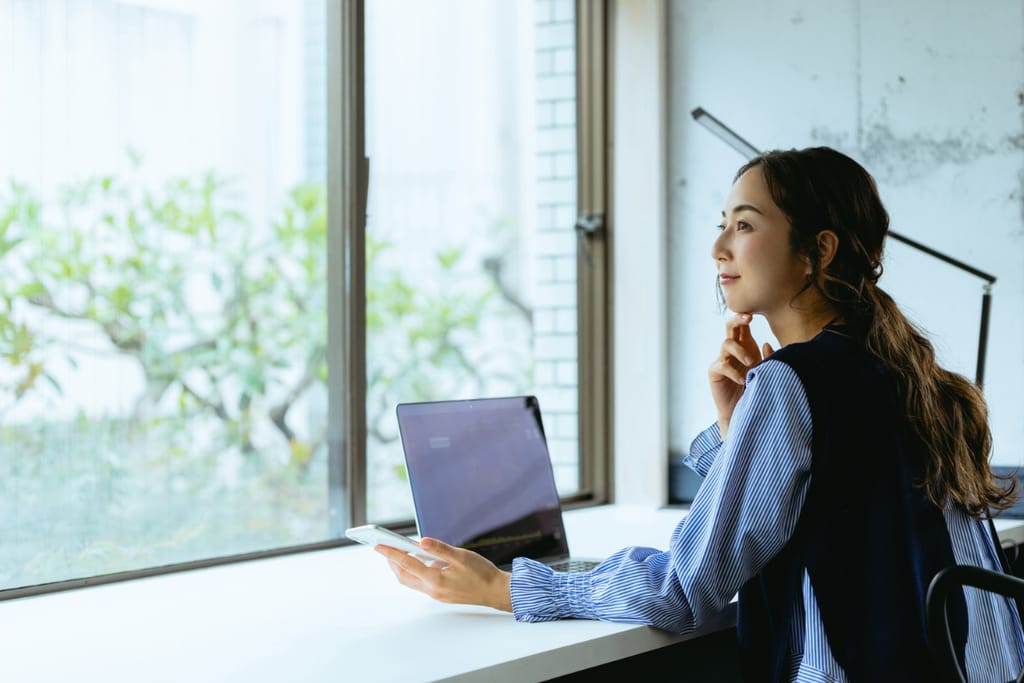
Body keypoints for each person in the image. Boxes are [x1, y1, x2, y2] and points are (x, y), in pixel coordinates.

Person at [375, 146, 1024, 681]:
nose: (719, 246)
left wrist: (506, 589)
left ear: (819, 249)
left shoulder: (794, 381)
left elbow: (686, 589)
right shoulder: (915, 378)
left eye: (744, 224)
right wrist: (733, 425)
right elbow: (813, 505)